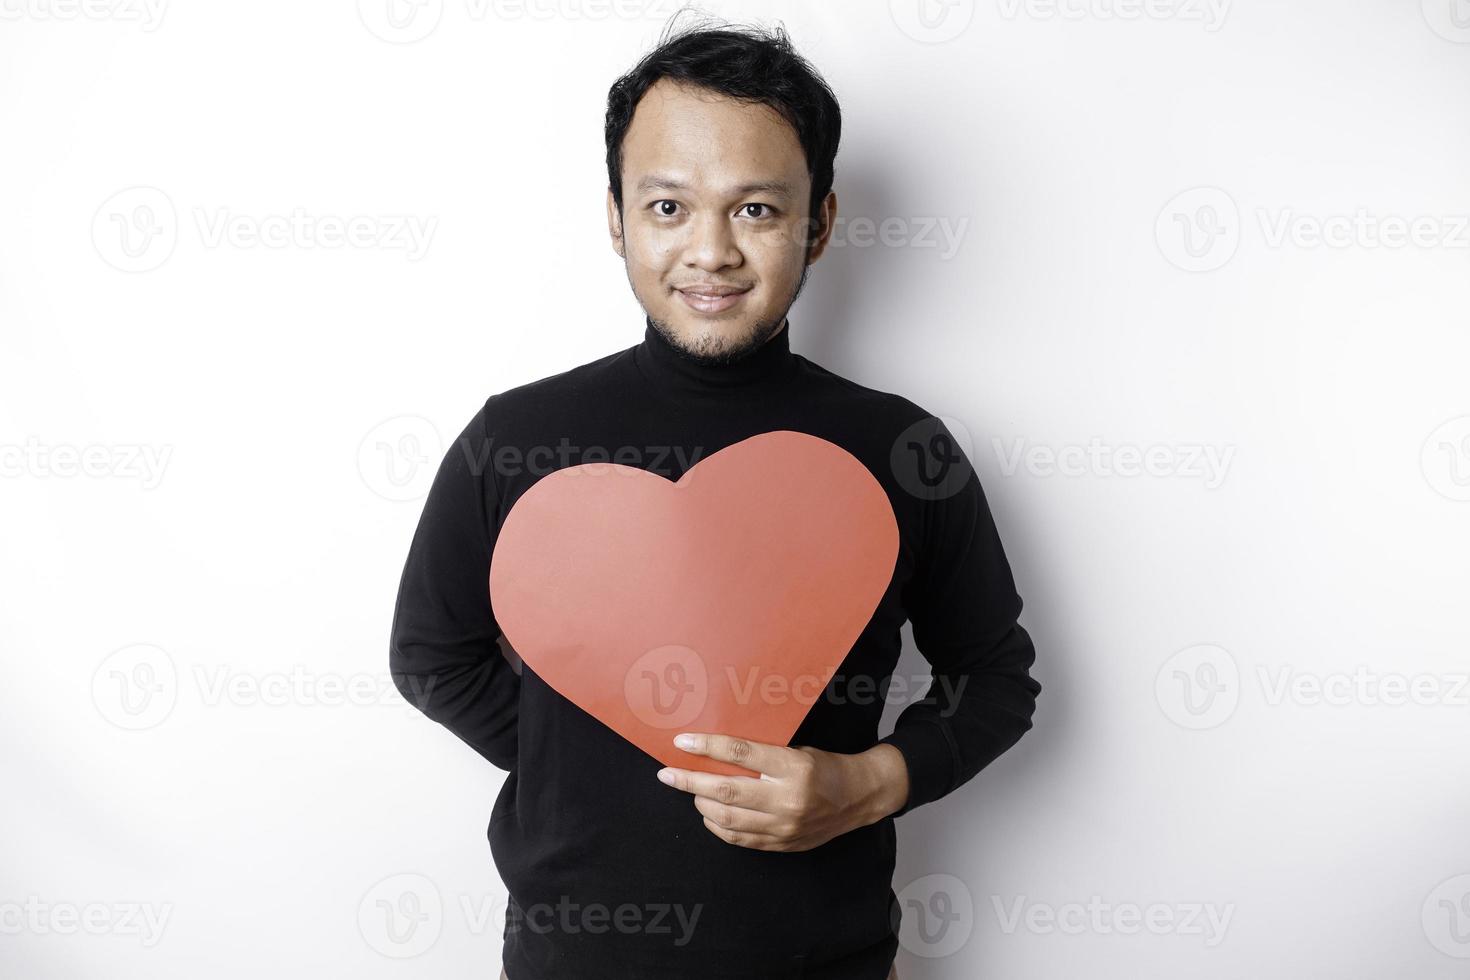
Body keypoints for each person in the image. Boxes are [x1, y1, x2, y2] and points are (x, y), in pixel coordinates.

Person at [390, 14, 1041, 980]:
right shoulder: (515, 439)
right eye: (666, 207)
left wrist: (863, 785)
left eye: (756, 210)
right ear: (614, 215)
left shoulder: (904, 448)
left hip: (828, 960)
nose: (711, 252)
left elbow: (995, 679)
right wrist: (581, 753)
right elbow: (430, 655)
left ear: (818, 222)